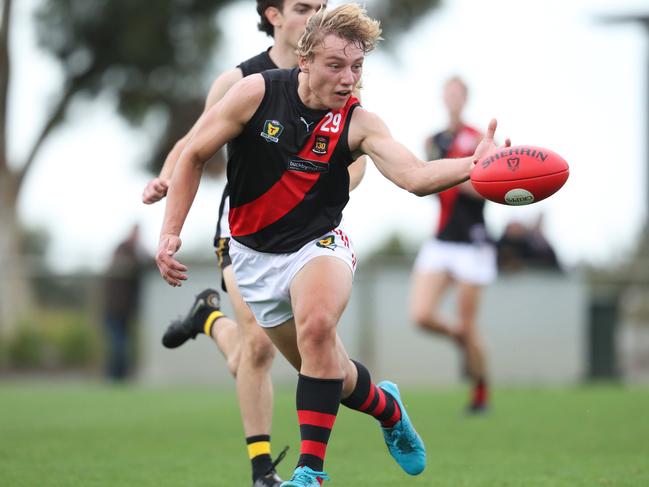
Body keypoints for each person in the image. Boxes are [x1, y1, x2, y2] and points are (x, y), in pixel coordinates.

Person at [156, 4, 509, 485]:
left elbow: (416, 177)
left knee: (318, 327)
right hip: (254, 259)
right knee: (330, 375)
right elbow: (194, 154)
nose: (349, 79)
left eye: (357, 67)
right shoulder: (255, 93)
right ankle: (387, 408)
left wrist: (475, 163)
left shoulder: (359, 122)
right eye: (336, 65)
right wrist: (170, 231)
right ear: (305, 61)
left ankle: (309, 473)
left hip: (318, 245)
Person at [142, 2, 364, 486]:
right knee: (259, 346)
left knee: (294, 353)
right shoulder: (243, 80)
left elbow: (357, 153)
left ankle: (208, 318)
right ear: (274, 16)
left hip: (303, 236)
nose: (314, 15)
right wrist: (165, 179)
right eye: (303, 7)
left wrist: (313, 193)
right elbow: (193, 143)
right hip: (240, 232)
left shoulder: (337, 77)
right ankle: (262, 471)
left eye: (320, 7)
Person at [408, 76, 495, 413]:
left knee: (470, 322)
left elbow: (489, 186)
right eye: (448, 93)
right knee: (421, 315)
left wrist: (455, 175)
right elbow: (426, 182)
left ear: (466, 98)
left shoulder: (480, 140)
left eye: (458, 94)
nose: (452, 99)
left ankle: (480, 391)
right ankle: (464, 339)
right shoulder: (433, 140)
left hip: (472, 243)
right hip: (441, 239)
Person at [102, 224, 148, 381]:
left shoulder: (134, 251)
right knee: (117, 343)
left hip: (125, 310)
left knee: (122, 343)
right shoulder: (123, 250)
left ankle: (120, 376)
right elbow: (134, 265)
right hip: (115, 309)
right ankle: (115, 376)